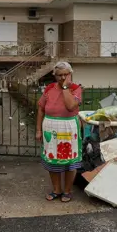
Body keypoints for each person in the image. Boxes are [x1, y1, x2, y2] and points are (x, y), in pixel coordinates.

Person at [36, 61, 82, 202]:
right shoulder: (49, 88)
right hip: (50, 129)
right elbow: (41, 108)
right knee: (53, 159)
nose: (62, 78)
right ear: (54, 76)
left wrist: (65, 88)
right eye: (59, 75)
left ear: (70, 74)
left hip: (69, 128)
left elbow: (70, 106)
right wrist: (38, 130)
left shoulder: (76, 88)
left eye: (65, 74)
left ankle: (67, 191)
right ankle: (56, 190)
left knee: (69, 161)